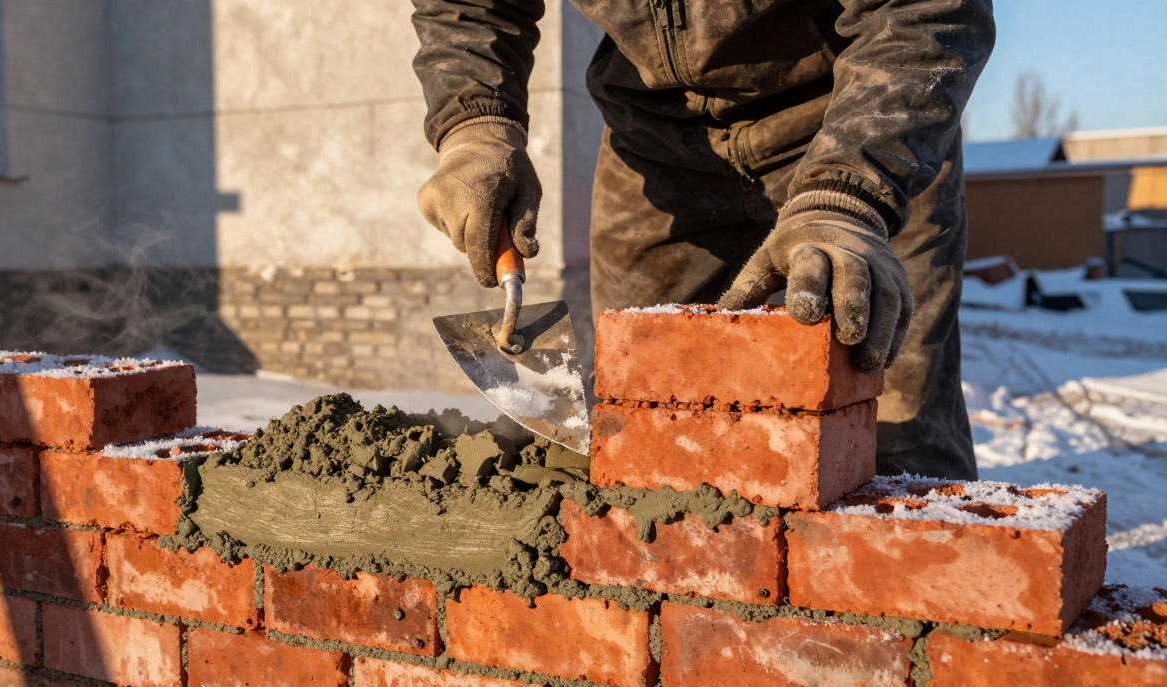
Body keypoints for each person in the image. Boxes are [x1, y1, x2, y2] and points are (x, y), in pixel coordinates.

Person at [411, 0, 995, 481]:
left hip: (855, 124)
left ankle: (908, 609)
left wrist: (849, 197)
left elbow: (926, 9)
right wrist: (474, 125)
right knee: (645, 420)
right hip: (658, 141)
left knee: (886, 430)